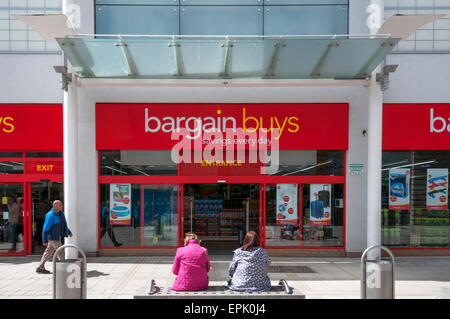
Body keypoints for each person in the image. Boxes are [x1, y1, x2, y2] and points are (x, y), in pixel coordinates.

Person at [36, 200, 72, 274]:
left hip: (57, 236)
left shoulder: (61, 214)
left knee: (48, 252)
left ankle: (40, 267)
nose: (62, 206)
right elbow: (45, 228)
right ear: (55, 206)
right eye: (61, 205)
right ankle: (64, 270)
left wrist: (68, 232)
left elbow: (63, 224)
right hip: (53, 238)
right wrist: (44, 240)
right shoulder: (50, 215)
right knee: (60, 252)